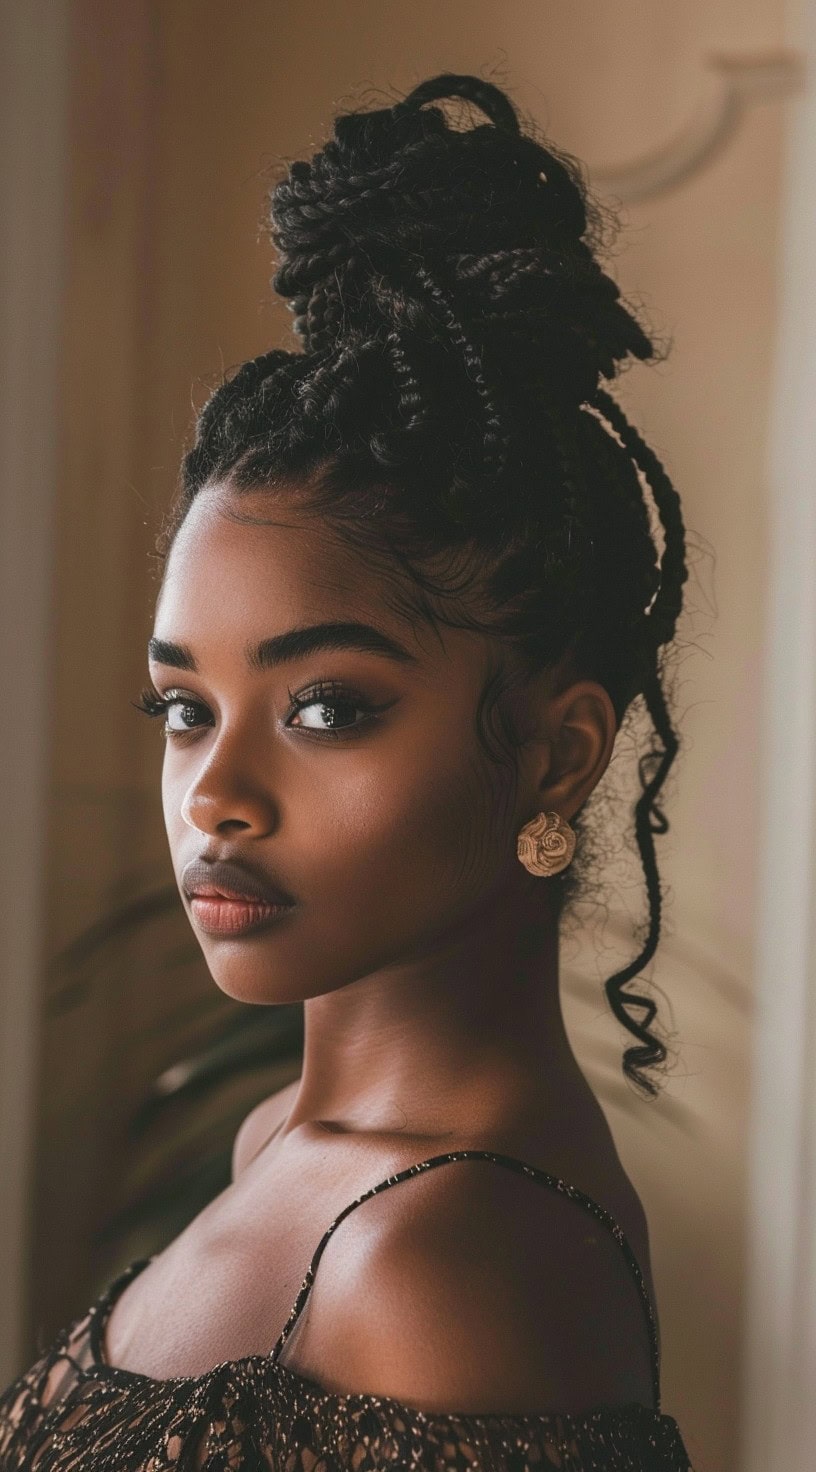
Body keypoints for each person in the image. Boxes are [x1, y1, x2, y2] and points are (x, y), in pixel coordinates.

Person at [0, 72, 695, 1469]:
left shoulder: (456, 1258)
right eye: (183, 708)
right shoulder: (281, 1142)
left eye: (324, 708)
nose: (215, 794)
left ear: (556, 754)